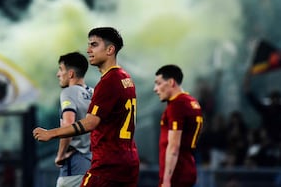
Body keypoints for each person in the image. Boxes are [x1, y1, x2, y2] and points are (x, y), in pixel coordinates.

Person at [33, 27, 140, 187]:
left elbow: (90, 123)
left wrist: (51, 133)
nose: (88, 50)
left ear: (110, 49)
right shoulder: (126, 79)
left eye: (94, 45)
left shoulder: (107, 82)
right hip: (128, 160)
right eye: (89, 45)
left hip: (107, 165)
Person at [153, 64, 203, 187]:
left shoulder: (177, 105)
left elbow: (174, 147)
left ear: (171, 82)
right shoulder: (192, 102)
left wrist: (166, 180)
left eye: (158, 83)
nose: (155, 89)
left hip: (176, 174)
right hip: (188, 167)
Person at [55, 51, 93, 187]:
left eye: (61, 69)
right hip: (95, 165)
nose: (58, 74)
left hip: (74, 165)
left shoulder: (69, 92)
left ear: (70, 74)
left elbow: (68, 124)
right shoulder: (94, 93)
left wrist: (60, 155)